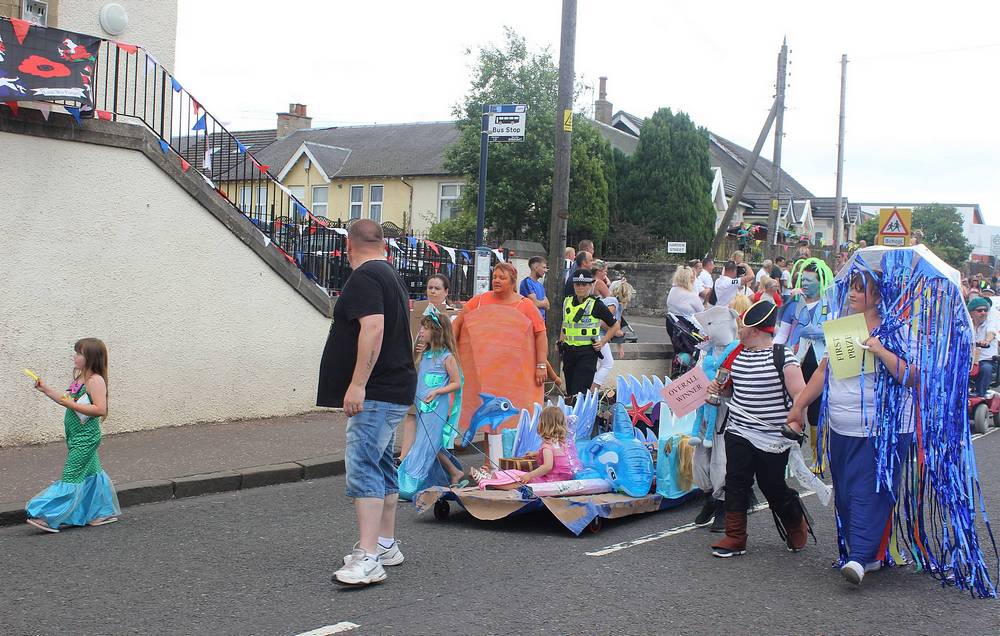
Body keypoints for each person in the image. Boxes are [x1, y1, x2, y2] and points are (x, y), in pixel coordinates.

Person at [787, 271, 917, 585]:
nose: (853, 294)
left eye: (861, 289)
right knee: (845, 492)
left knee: (869, 492)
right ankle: (868, 555)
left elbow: (912, 376)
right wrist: (799, 404)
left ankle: (859, 557)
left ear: (878, 293)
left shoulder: (897, 330)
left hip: (881, 430)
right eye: (853, 289)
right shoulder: (844, 327)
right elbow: (822, 371)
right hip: (842, 427)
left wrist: (881, 351)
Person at [319, 219, 417, 587]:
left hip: (377, 390)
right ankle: (386, 544)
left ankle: (369, 556)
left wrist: (357, 384)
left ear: (348, 245)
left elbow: (373, 328)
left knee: (363, 465)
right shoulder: (390, 273)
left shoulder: (364, 277)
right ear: (381, 243)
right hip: (393, 386)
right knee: (379, 462)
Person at [707, 301, 810, 558]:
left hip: (772, 434)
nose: (738, 331)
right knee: (736, 481)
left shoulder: (782, 355)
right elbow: (730, 389)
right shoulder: (737, 355)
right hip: (739, 429)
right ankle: (735, 537)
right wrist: (717, 390)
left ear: (754, 331)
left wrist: (796, 423)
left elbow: (800, 394)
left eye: (743, 327)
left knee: (772, 485)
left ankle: (795, 521)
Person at [26, 338, 119, 533]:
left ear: (91, 358)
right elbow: (66, 399)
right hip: (75, 435)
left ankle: (51, 516)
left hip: (86, 438)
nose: (75, 357)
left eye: (79, 353)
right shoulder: (80, 378)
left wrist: (70, 404)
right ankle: (100, 513)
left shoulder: (95, 380)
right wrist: (46, 390)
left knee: (71, 476)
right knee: (92, 475)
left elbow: (100, 409)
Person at [453, 262, 548, 388]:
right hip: (479, 370)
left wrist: (541, 365)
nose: (496, 281)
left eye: (502, 278)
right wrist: (451, 353)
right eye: (494, 277)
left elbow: (541, 334)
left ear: (513, 282)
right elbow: (456, 325)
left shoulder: (525, 305)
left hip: (513, 373)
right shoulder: (478, 301)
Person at [401, 307, 466, 490]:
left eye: (425, 328)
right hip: (422, 404)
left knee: (427, 441)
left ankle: (414, 481)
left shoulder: (447, 357)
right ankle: (453, 472)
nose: (421, 331)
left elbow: (456, 383)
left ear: (436, 332)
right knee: (430, 441)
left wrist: (438, 391)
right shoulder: (425, 353)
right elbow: (414, 370)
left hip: (436, 405)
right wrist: (417, 352)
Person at [560, 269, 620, 396]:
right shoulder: (567, 301)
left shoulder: (596, 304)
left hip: (586, 353)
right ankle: (571, 414)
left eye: (584, 284)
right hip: (569, 352)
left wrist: (602, 342)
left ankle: (579, 415)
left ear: (591, 285)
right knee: (570, 391)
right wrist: (561, 340)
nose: (580, 288)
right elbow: (565, 323)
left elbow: (615, 326)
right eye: (578, 284)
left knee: (579, 392)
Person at [519, 407, 581, 484]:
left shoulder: (547, 446)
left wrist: (529, 475)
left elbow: (547, 467)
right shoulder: (563, 443)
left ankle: (500, 485)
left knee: (518, 479)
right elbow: (557, 456)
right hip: (567, 478)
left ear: (543, 424)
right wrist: (537, 454)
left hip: (551, 480)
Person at [969, 296, 997, 397]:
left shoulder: (990, 323)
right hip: (970, 361)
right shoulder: (967, 325)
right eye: (979, 310)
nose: (983, 313)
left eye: (985, 310)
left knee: (986, 369)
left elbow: (991, 333)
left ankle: (980, 395)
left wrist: (986, 341)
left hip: (986, 360)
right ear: (972, 313)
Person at [519, 256, 550, 320]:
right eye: (543, 267)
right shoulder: (526, 283)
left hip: (541, 322)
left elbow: (548, 306)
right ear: (535, 267)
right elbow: (534, 303)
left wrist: (541, 303)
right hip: (530, 322)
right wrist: (543, 303)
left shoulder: (540, 285)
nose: (545, 270)